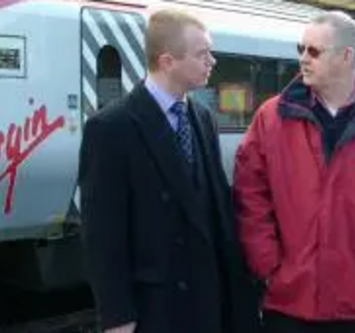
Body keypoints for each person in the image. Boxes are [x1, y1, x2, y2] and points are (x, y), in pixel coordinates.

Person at [233, 10, 355, 333]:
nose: (302, 59)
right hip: (288, 304)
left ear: (346, 55)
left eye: (313, 51)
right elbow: (249, 193)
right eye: (300, 49)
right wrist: (269, 265)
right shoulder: (272, 118)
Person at [78, 8, 260, 333]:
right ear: (167, 62)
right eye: (202, 54)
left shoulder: (202, 118)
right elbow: (103, 234)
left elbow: (214, 206)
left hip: (208, 300)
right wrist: (117, 316)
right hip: (157, 307)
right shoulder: (111, 128)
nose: (212, 61)